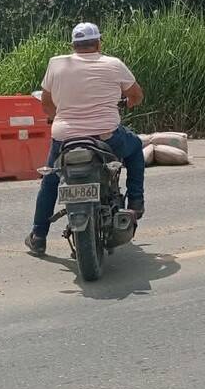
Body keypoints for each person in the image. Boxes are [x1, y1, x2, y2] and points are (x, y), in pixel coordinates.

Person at [25, 21, 146, 256]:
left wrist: (57, 116)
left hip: (65, 139)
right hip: (106, 136)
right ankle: (136, 203)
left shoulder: (56, 64)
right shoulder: (114, 64)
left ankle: (39, 235)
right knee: (135, 149)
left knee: (50, 180)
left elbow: (47, 103)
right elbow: (136, 95)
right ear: (99, 43)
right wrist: (128, 102)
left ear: (73, 45)